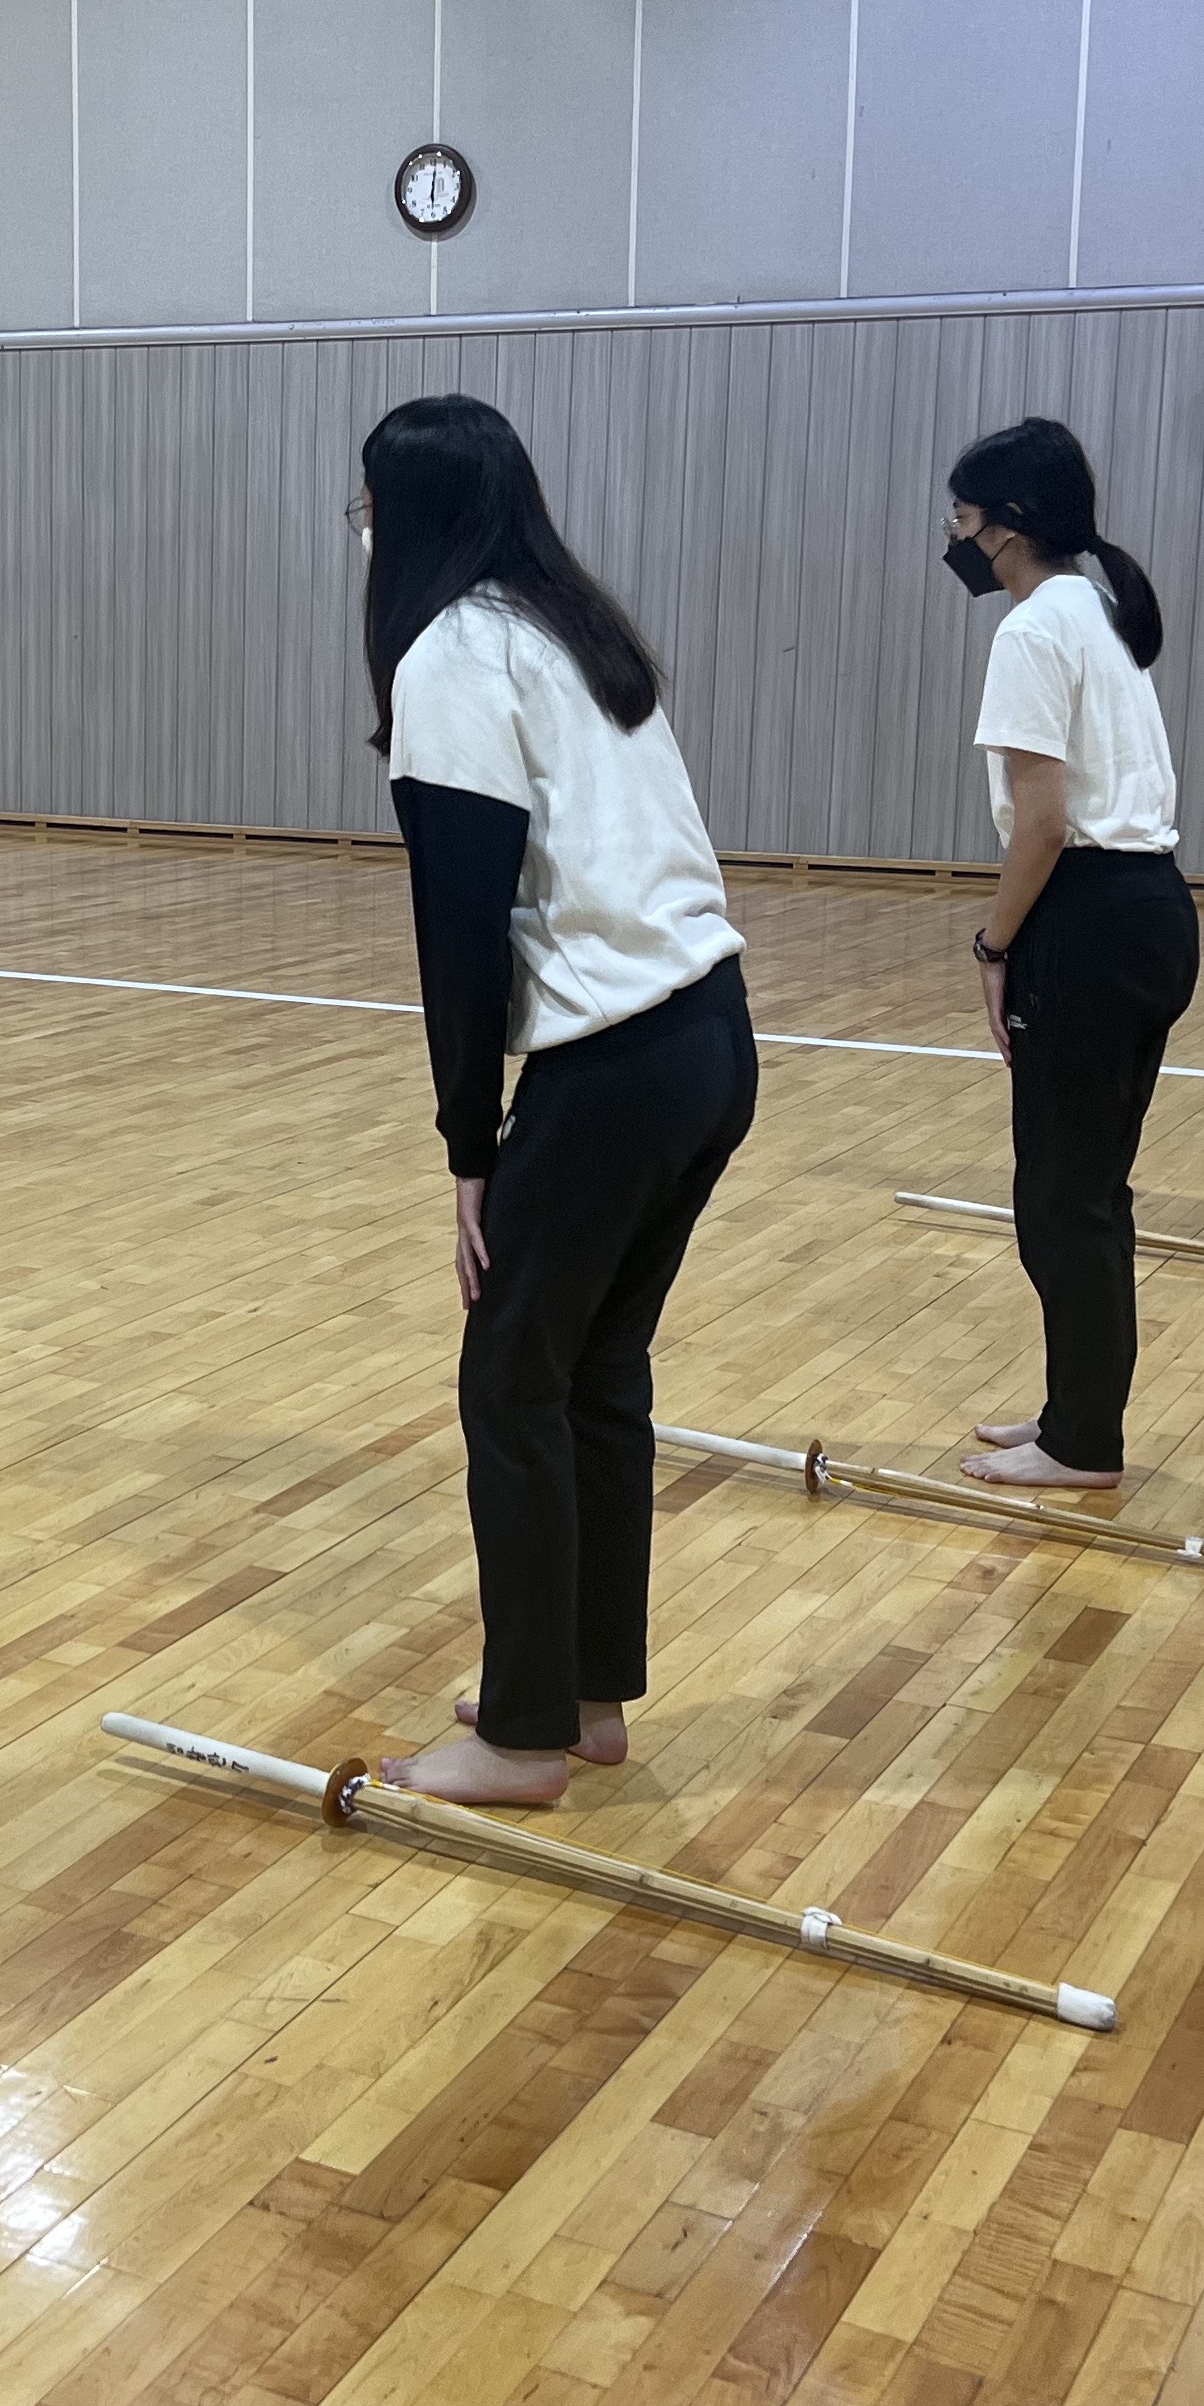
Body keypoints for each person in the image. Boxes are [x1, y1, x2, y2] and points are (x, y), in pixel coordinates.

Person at [358, 395, 756, 1807]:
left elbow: (459, 931)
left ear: (407, 519)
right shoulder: (570, 631)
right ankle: (584, 1697)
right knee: (595, 1376)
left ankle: (522, 1738)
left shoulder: (455, 656)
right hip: (709, 1037)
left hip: (617, 1066)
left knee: (512, 1382)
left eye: (368, 510)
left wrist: (470, 1145)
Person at [945, 417, 1198, 1494]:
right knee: (1088, 1188)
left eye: (964, 517)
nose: (956, 537)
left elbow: (1041, 824)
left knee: (1061, 1199)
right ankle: (1073, 1412)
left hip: (1089, 921)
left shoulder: (1032, 630)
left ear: (1009, 525)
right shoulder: (1091, 607)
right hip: (1147, 911)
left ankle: (1085, 1442)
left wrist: (993, 942)